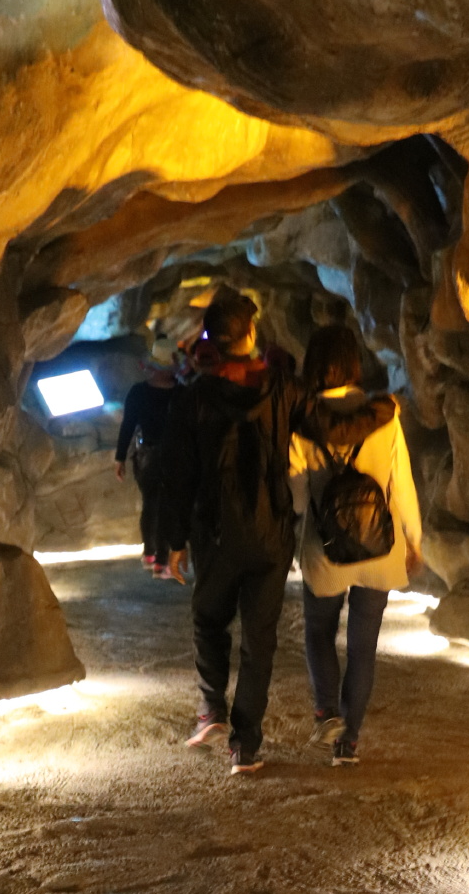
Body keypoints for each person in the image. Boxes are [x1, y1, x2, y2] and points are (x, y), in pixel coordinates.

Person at [156, 288, 296, 772]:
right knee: (260, 639)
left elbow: (175, 476)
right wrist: (381, 411)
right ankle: (246, 746)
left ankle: (212, 706)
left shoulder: (193, 399)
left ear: (210, 339)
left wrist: (172, 542)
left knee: (207, 616)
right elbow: (325, 422)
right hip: (271, 530)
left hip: (215, 531)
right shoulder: (279, 389)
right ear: (251, 334)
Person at [290, 321, 423, 764]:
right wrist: (413, 541)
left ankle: (328, 711)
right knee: (363, 647)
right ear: (354, 365)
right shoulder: (383, 417)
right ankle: (349, 744)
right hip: (379, 548)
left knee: (318, 631)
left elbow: (295, 492)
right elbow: (401, 484)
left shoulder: (304, 424)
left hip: (326, 550)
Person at [114, 354, 177, 572]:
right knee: (164, 506)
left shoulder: (138, 392)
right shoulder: (181, 392)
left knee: (152, 504)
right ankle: (161, 559)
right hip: (172, 457)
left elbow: (128, 426)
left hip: (146, 456)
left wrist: (120, 457)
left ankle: (151, 554)